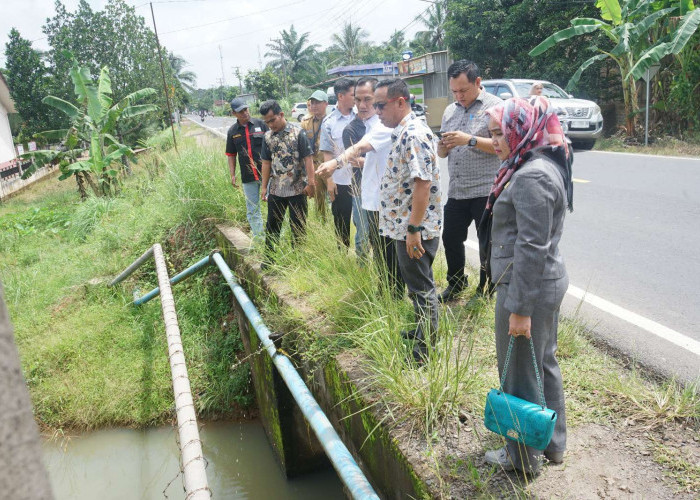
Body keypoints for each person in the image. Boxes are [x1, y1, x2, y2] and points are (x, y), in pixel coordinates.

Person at [482, 96, 573, 474]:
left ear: (520, 129)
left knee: (519, 372)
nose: (496, 142)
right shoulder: (536, 162)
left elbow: (531, 246)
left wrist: (519, 309)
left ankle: (521, 458)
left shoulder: (531, 175)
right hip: (541, 283)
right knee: (542, 363)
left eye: (499, 134)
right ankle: (552, 444)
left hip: (526, 287)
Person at [316, 77, 405, 299]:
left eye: (369, 100)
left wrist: (336, 163)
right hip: (371, 198)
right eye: (358, 100)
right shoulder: (355, 126)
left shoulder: (386, 125)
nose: (363, 105)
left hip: (392, 199)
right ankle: (387, 293)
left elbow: (360, 148)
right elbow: (357, 153)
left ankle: (395, 296)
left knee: (394, 252)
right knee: (380, 250)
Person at [374, 78, 442, 363]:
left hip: (413, 229)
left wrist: (413, 229)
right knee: (415, 288)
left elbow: (423, 184)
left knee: (421, 290)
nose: (376, 111)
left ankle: (423, 353)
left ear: (400, 101)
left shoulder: (413, 134)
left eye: (380, 105)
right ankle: (419, 333)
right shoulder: (402, 132)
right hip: (404, 226)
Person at [437, 60, 502, 302]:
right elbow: (442, 153)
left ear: (477, 82)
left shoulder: (495, 108)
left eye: (463, 90)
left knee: (488, 243)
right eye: (454, 91)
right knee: (451, 238)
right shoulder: (449, 110)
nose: (459, 96)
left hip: (486, 188)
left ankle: (486, 289)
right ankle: (455, 282)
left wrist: (469, 140)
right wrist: (443, 146)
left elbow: (504, 146)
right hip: (457, 189)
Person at [259, 100, 316, 268]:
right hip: (277, 189)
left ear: (281, 115)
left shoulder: (298, 133)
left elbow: (308, 158)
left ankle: (299, 262)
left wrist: (311, 182)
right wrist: (263, 187)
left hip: (298, 188)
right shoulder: (267, 137)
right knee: (272, 226)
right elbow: (266, 163)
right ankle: (269, 260)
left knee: (298, 226)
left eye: (272, 120)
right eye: (266, 122)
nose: (270, 125)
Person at [320, 78, 356, 250]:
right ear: (341, 96)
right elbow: (327, 153)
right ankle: (343, 256)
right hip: (340, 181)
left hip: (363, 180)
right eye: (352, 94)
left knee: (365, 223)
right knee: (341, 221)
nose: (356, 98)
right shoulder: (329, 122)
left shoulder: (362, 116)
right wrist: (329, 181)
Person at [225, 97, 268, 239]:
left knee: (276, 206)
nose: (245, 113)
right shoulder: (232, 132)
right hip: (248, 177)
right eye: (240, 111)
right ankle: (260, 239)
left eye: (246, 109)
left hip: (267, 175)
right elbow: (231, 154)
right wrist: (232, 174)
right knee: (253, 210)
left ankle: (278, 237)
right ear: (234, 113)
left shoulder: (261, 124)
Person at [300, 90, 329, 222]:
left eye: (318, 102)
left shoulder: (332, 120)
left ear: (326, 104)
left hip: (330, 167)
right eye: (312, 102)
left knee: (336, 198)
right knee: (319, 200)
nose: (314, 105)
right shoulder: (306, 121)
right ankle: (322, 224)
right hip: (315, 167)